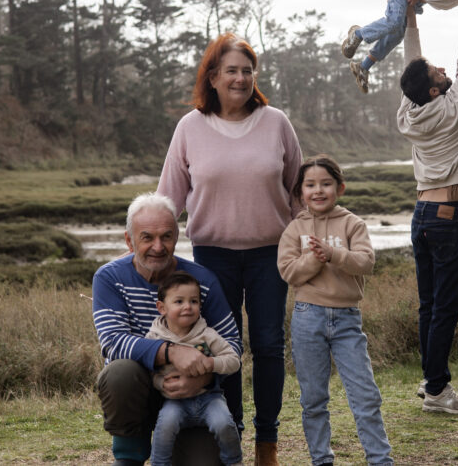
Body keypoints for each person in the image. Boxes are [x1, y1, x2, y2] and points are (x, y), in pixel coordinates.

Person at [157, 33, 303, 466]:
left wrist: (312, 242)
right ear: (213, 77)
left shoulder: (277, 122)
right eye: (231, 71)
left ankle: (267, 443)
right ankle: (232, 436)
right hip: (212, 256)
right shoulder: (190, 127)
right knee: (226, 347)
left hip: (269, 254)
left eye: (247, 70)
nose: (240, 78)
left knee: (269, 345)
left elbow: (299, 193)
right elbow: (170, 197)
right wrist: (153, 248)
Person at [92, 192, 241, 466]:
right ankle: (129, 453)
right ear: (129, 240)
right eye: (147, 237)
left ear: (177, 237)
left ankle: (181, 445)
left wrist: (204, 378)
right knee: (120, 372)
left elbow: (232, 343)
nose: (158, 246)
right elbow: (112, 342)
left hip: (192, 395)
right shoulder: (109, 278)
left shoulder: (202, 281)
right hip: (139, 389)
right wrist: (170, 352)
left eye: (167, 236)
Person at [396, 0, 458, 414]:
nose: (444, 70)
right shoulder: (456, 106)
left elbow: (411, 65)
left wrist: (412, 17)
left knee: (429, 303)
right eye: (437, 73)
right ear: (434, 90)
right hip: (450, 216)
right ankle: (436, 390)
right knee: (445, 305)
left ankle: (430, 377)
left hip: (423, 214)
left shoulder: (409, 112)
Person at [277, 154, 393, 466]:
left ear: (339, 188)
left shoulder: (353, 223)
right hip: (306, 317)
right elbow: (288, 272)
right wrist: (314, 259)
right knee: (314, 399)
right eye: (310, 184)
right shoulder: (293, 229)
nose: (318, 190)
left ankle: (380, 460)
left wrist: (333, 254)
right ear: (300, 192)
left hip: (347, 320)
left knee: (365, 395)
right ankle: (321, 460)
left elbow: (365, 263)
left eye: (325, 184)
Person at [146, 271, 242, 466]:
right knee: (165, 426)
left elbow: (233, 360)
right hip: (174, 402)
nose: (187, 307)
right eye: (179, 301)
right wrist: (160, 382)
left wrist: (212, 364)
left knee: (224, 424)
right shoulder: (155, 338)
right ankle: (159, 463)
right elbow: (146, 371)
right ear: (161, 307)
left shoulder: (207, 335)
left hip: (209, 398)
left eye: (194, 301)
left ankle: (234, 461)